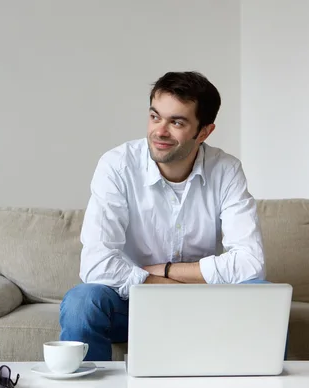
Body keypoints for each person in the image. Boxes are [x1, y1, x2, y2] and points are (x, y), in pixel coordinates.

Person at [59, 71, 267, 361]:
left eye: (177, 122)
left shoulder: (226, 170)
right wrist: (167, 287)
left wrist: (165, 269)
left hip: (206, 305)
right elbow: (97, 264)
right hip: (132, 302)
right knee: (83, 302)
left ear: (204, 132)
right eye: (155, 117)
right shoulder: (117, 166)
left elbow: (251, 263)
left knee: (259, 295)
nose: (160, 131)